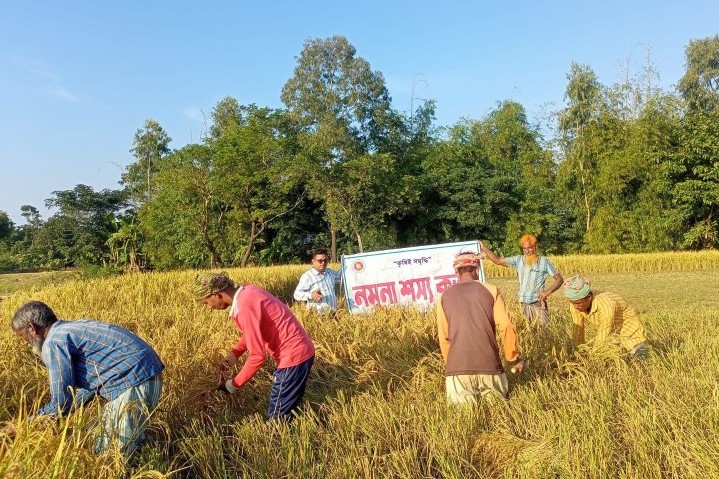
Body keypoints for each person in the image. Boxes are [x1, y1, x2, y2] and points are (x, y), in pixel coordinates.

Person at [6, 301, 164, 456]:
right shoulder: (71, 328)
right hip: (144, 376)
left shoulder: (54, 342)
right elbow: (87, 390)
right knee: (109, 441)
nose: (26, 343)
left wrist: (23, 425)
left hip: (132, 380)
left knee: (109, 455)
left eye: (23, 337)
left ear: (32, 328)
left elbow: (61, 402)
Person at [195, 272, 315, 421]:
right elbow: (254, 330)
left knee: (276, 419)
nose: (208, 307)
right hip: (302, 350)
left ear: (216, 294)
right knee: (290, 409)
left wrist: (232, 385)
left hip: (292, 358)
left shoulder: (243, 308)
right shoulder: (248, 291)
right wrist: (234, 355)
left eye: (206, 302)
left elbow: (257, 357)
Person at [436, 252, 524, 404]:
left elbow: (444, 337)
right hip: (489, 366)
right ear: (476, 269)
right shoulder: (491, 290)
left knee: (464, 422)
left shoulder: (443, 296)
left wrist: (453, 365)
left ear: (457, 272)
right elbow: (506, 326)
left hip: (457, 369)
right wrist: (512, 359)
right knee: (498, 416)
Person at [480, 235, 563, 327]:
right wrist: (484, 247)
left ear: (535, 247)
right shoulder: (518, 260)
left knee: (542, 333)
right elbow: (498, 260)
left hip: (538, 304)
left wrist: (548, 292)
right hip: (523, 304)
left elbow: (559, 279)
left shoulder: (544, 262)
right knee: (527, 333)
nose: (527, 251)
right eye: (524, 249)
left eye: (529, 248)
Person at [563, 275, 648, 359]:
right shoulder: (576, 304)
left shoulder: (606, 304)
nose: (575, 307)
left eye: (578, 303)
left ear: (588, 297)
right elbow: (578, 329)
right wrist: (578, 352)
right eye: (573, 303)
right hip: (613, 337)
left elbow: (604, 332)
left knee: (638, 365)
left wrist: (594, 357)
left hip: (631, 333)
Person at [293, 248, 341, 315]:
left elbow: (341, 277)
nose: (323, 263)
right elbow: (296, 294)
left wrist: (346, 263)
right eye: (320, 261)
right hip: (317, 317)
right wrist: (311, 295)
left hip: (333, 313)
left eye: (325, 260)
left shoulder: (329, 272)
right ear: (313, 261)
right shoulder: (307, 276)